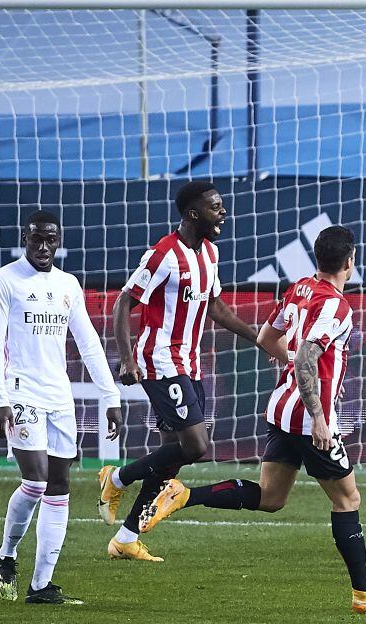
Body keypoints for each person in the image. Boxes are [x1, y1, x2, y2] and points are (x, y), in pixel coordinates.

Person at [138, 226, 366, 613]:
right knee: (348, 498)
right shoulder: (337, 307)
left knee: (271, 498)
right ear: (350, 262)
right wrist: (319, 417)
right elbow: (305, 357)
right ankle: (364, 591)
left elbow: (268, 338)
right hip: (307, 415)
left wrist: (290, 366)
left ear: (318, 259)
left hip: (281, 407)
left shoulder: (300, 287)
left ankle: (183, 494)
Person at [97, 181, 259, 562]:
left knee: (173, 456)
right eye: (215, 207)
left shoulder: (211, 253)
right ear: (192, 214)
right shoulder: (163, 256)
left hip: (189, 364)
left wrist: (259, 338)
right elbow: (123, 303)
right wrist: (127, 359)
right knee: (196, 445)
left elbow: (215, 308)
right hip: (159, 361)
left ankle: (125, 538)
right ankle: (116, 478)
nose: (223, 212)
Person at [0, 210, 122, 604]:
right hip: (21, 391)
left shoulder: (68, 285)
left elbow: (88, 341)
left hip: (60, 397)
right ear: (24, 239)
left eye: (50, 239)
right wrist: (0, 399)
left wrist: (109, 395)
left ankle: (41, 586)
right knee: (36, 481)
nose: (43, 246)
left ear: (58, 241)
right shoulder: (5, 280)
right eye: (36, 239)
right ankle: (6, 554)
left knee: (60, 488)